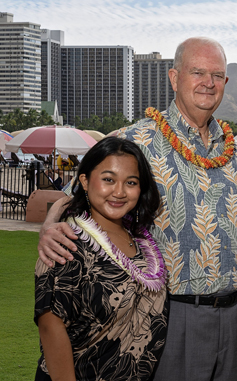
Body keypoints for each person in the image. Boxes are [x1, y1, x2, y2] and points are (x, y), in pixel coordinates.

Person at [37, 37, 237, 381]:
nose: (208, 82)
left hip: (234, 317)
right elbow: (75, 195)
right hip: (168, 316)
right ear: (174, 78)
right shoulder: (136, 142)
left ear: (225, 83)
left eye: (217, 75)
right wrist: (49, 226)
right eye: (197, 72)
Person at [35, 137, 167, 380]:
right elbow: (50, 325)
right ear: (84, 181)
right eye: (108, 180)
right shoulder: (65, 241)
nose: (119, 192)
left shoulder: (140, 240)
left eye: (131, 182)